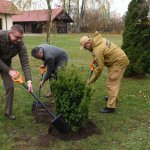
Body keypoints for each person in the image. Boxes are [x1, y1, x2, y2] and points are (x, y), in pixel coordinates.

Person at [80, 31, 129, 113]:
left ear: (88, 42)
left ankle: (110, 107)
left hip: (118, 62)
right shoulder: (98, 41)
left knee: (112, 83)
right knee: (114, 82)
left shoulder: (97, 50)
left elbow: (99, 68)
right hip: (120, 58)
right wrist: (94, 60)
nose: (86, 49)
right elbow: (101, 54)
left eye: (85, 47)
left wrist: (91, 80)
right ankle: (112, 97)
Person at [0, 24, 33, 120]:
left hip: (6, 65)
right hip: (6, 67)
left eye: (21, 38)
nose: (19, 40)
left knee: (10, 87)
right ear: (10, 33)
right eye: (17, 37)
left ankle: (8, 112)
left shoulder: (20, 44)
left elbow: (25, 62)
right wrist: (9, 70)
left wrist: (29, 80)